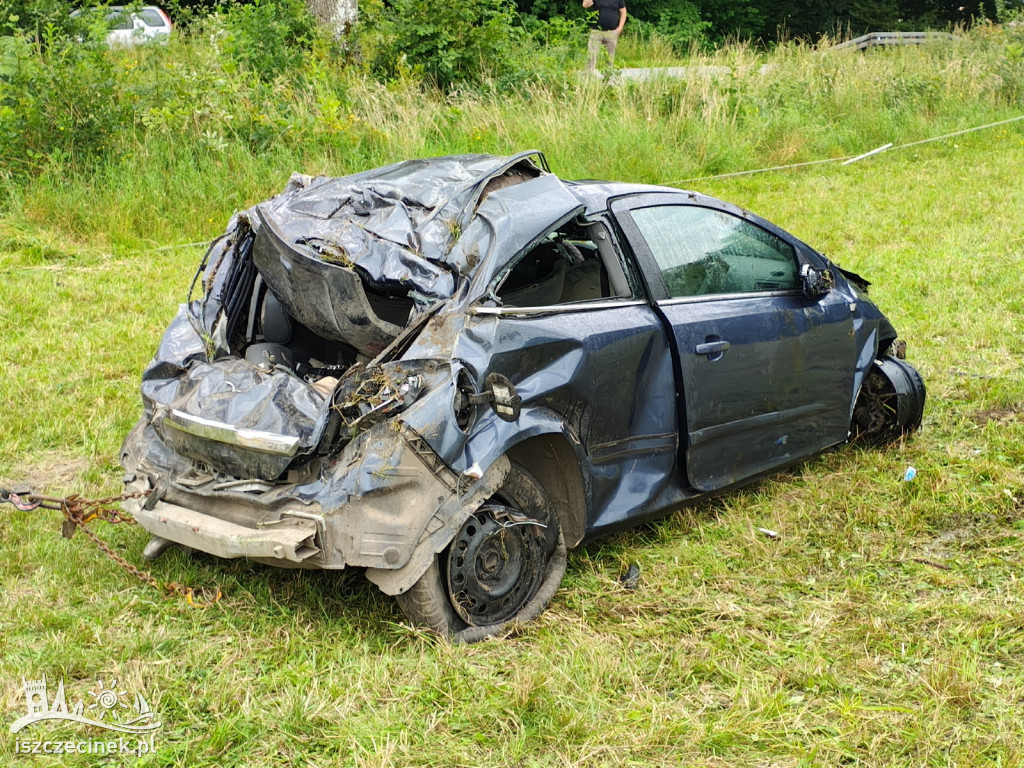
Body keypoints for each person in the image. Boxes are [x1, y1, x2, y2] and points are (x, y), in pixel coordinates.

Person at [583, 0, 626, 74]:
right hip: (596, 32)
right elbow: (585, 5)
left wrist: (620, 28)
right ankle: (588, 79)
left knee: (610, 59)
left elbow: (623, 12)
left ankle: (607, 80)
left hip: (611, 32)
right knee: (591, 56)